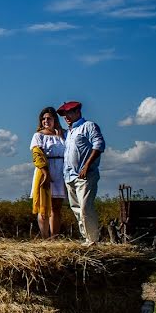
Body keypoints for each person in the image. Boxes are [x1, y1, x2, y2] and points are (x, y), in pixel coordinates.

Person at [57, 101, 105, 245]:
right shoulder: (69, 132)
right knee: (77, 209)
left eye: (69, 112)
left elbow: (99, 145)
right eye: (64, 114)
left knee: (85, 207)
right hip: (69, 176)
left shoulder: (88, 126)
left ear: (78, 112)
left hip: (85, 175)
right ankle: (86, 238)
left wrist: (86, 166)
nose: (66, 116)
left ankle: (93, 240)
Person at [30, 106, 66, 238]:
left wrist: (61, 135)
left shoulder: (63, 134)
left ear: (55, 120)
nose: (46, 121)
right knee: (44, 205)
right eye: (43, 118)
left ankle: (54, 237)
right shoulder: (38, 135)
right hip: (45, 169)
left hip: (60, 170)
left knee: (56, 207)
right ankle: (44, 237)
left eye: (49, 118)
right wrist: (46, 173)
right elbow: (37, 154)